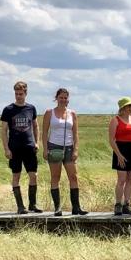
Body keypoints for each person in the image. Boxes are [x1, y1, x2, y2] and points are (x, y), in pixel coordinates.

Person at [42, 88, 88, 216]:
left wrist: (76, 149)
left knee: (73, 177)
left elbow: (76, 133)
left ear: (68, 99)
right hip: (54, 147)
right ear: (56, 98)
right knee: (55, 177)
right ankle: (57, 208)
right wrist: (45, 149)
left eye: (65, 98)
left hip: (69, 147)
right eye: (61, 97)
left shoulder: (72, 113)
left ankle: (76, 207)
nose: (63, 100)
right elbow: (45, 132)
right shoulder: (49, 112)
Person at [0, 80, 42, 215]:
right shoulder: (8, 110)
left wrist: (37, 142)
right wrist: (6, 149)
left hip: (29, 147)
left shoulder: (31, 108)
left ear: (25, 93)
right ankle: (20, 206)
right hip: (15, 148)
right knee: (16, 176)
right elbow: (4, 130)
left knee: (33, 175)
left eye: (21, 94)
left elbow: (36, 126)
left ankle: (32, 204)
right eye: (16, 94)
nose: (18, 96)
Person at [109, 96, 131, 215]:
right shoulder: (115, 120)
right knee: (121, 179)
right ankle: (118, 204)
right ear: (122, 107)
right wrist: (119, 155)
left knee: (130, 179)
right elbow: (112, 140)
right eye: (129, 106)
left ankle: (126, 205)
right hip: (120, 149)